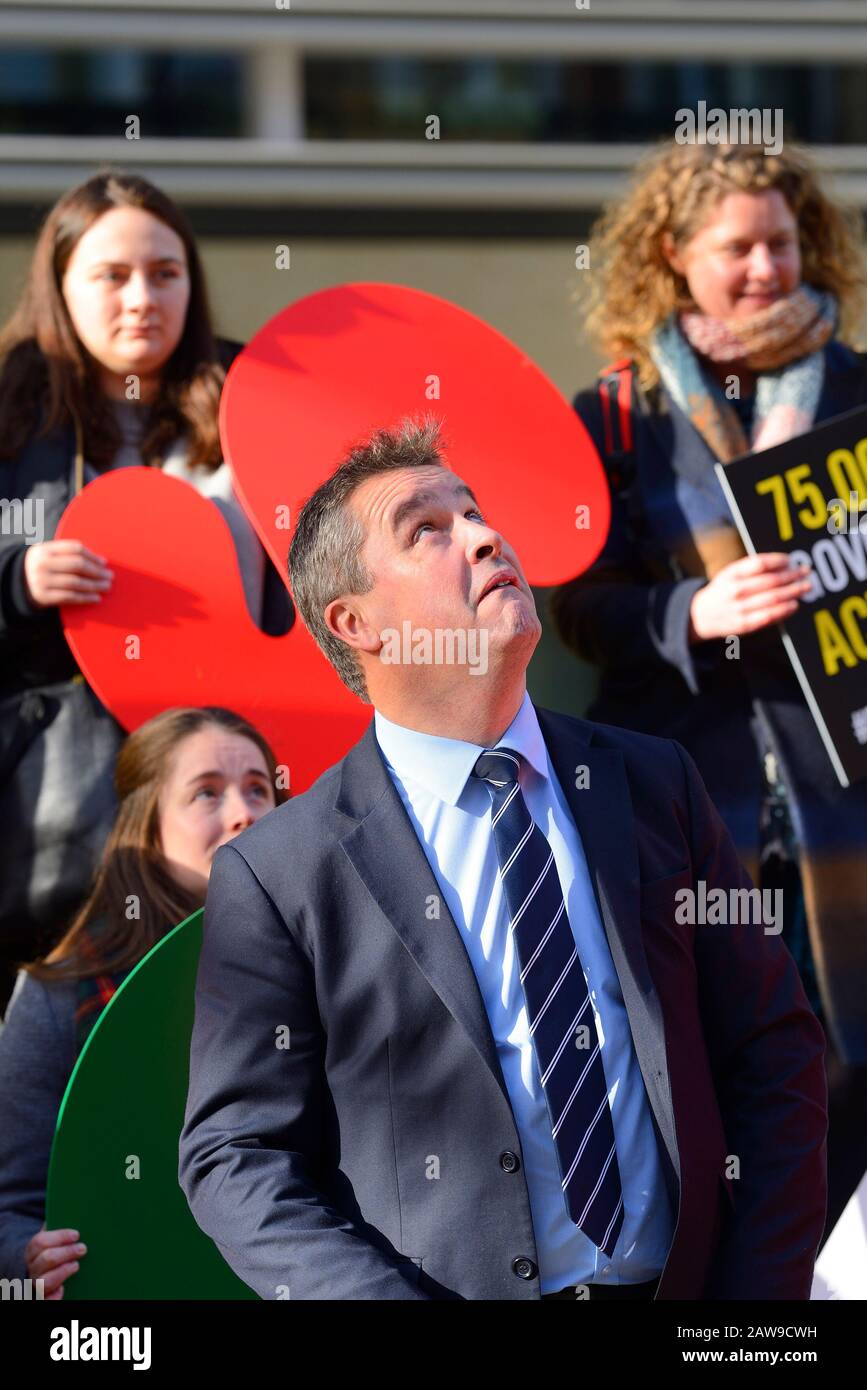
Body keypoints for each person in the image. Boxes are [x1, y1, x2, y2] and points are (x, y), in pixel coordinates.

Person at [178, 417, 827, 1301]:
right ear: (354, 622)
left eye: (476, 513)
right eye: (426, 530)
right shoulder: (279, 872)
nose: (484, 537)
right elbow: (237, 1156)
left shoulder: (655, 783)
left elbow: (773, 1044)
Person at [549, 139, 867, 1079]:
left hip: (845, 798)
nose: (766, 268)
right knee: (710, 1073)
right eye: (736, 248)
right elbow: (578, 607)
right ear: (672, 255)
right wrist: (692, 611)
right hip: (684, 798)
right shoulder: (616, 415)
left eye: (782, 243)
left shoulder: (858, 389)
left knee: (847, 1082)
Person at [0, 170, 292, 1012]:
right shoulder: (11, 408)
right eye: (112, 275)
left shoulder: (255, 396)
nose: (141, 299)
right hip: (58, 804)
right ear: (61, 286)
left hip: (241, 778)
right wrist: (17, 581)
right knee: (67, 1035)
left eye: (165, 273)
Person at [0, 705, 284, 1297]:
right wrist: (26, 1257)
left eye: (259, 789)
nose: (244, 813)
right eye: (206, 793)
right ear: (147, 828)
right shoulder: (62, 991)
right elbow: (11, 1203)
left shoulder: (333, 962)